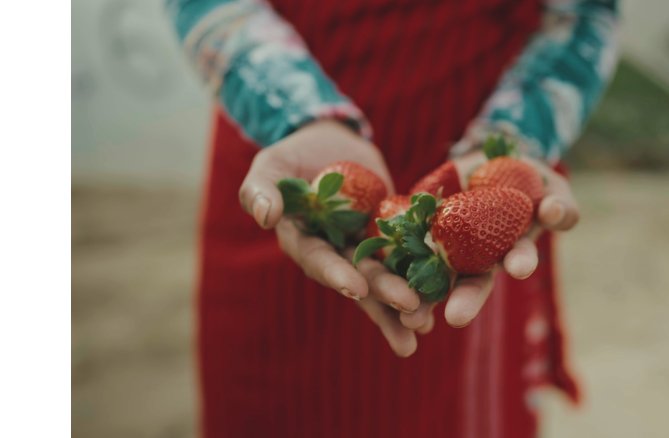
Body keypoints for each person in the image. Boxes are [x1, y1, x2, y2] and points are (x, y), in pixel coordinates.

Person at [167, 0, 619, 436]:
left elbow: (584, 12)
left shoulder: (475, 212)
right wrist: (302, 117)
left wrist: (514, 134)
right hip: (294, 163)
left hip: (469, 164)